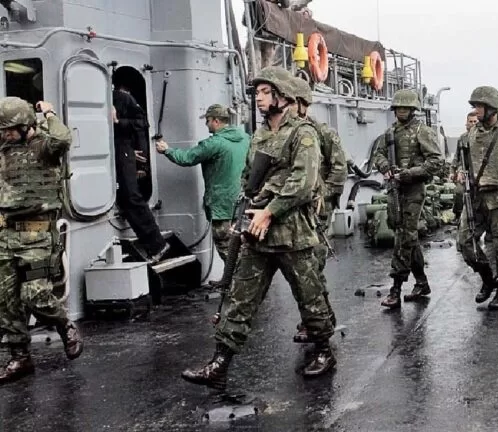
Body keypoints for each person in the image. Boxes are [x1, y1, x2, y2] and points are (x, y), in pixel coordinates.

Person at [180, 67, 336, 388]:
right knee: (240, 296)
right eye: (258, 94)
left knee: (310, 296)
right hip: (257, 231)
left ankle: (323, 349)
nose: (260, 99)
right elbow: (248, 175)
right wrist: (251, 208)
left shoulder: (302, 134)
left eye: (266, 93)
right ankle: (220, 362)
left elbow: (303, 183)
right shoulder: (261, 134)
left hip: (292, 234)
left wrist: (271, 210)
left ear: (282, 95)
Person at [0, 97, 84, 384]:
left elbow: (63, 138)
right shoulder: (4, 148)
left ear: (25, 126)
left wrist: (48, 114)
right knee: (7, 301)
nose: (5, 134)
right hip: (5, 234)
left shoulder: (46, 147)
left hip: (37, 235)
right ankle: (20, 358)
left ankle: (64, 324)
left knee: (35, 295)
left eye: (9, 129)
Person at [371, 89, 442, 309]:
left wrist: (409, 173)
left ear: (413, 109)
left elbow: (436, 161)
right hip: (395, 189)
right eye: (398, 108)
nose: (401, 111)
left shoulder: (423, 131)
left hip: (413, 190)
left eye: (405, 108)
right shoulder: (390, 133)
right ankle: (421, 282)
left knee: (403, 237)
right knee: (407, 237)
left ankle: (396, 288)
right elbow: (378, 154)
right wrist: (386, 168)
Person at [155, 104, 249, 269]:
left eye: (208, 120)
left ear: (216, 121)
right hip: (240, 203)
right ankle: (240, 279)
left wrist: (167, 150)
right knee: (240, 244)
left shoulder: (214, 144)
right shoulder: (245, 138)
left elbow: (187, 158)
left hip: (221, 205)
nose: (206, 124)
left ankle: (238, 284)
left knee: (225, 245)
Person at [290, 76, 346, 341]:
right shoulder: (283, 134)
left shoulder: (323, 133)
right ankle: (321, 318)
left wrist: (321, 195)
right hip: (291, 212)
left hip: (317, 211)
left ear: (302, 104)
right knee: (301, 270)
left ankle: (317, 323)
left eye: (291, 101)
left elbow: (338, 169)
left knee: (311, 268)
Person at [456, 87, 498, 310]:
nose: (477, 111)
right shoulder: (471, 133)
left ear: (492, 108)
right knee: (465, 242)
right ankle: (488, 279)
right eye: (476, 106)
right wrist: (459, 172)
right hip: (475, 196)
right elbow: (460, 161)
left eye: (480, 106)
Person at [112, 79, 169, 263]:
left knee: (131, 196)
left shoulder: (121, 98)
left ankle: (157, 244)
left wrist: (118, 121)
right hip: (112, 151)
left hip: (123, 150)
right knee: (125, 196)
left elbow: (141, 122)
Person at [450, 111, 478, 222]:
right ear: (466, 123)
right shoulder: (462, 138)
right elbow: (456, 157)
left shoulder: (482, 137)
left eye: (475, 121)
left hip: (479, 172)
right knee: (459, 192)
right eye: (470, 121)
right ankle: (458, 215)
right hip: (465, 171)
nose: (473, 124)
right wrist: (452, 172)